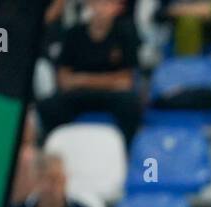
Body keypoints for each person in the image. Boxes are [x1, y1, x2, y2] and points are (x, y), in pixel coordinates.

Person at [37, 0, 142, 144]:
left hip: (110, 95)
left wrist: (83, 79)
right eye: (98, 3)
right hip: (79, 95)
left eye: (107, 4)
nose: (101, 9)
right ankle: (56, 146)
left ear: (116, 8)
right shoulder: (74, 33)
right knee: (49, 106)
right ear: (90, 5)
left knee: (131, 104)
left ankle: (126, 149)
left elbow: (126, 81)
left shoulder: (126, 34)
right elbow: (63, 80)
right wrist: (108, 80)